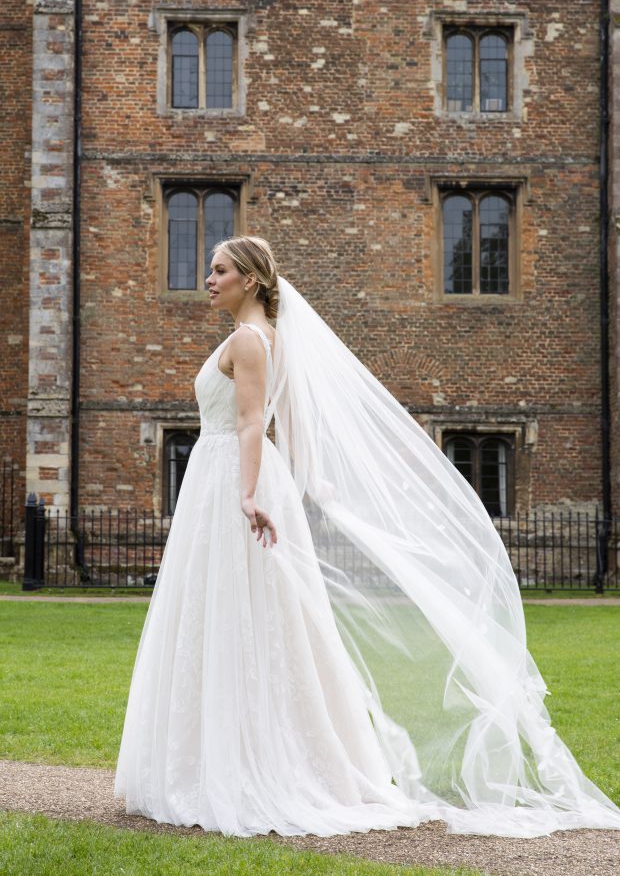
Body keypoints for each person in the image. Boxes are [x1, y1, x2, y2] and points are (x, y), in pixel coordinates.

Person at [114, 235, 620, 839]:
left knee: (237, 613)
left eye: (219, 270)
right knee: (246, 616)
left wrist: (249, 495)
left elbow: (253, 423)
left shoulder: (249, 340)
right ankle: (233, 754)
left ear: (250, 279)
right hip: (226, 476)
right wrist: (285, 489)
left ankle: (238, 764)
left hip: (230, 477)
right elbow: (288, 428)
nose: (208, 279)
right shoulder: (266, 339)